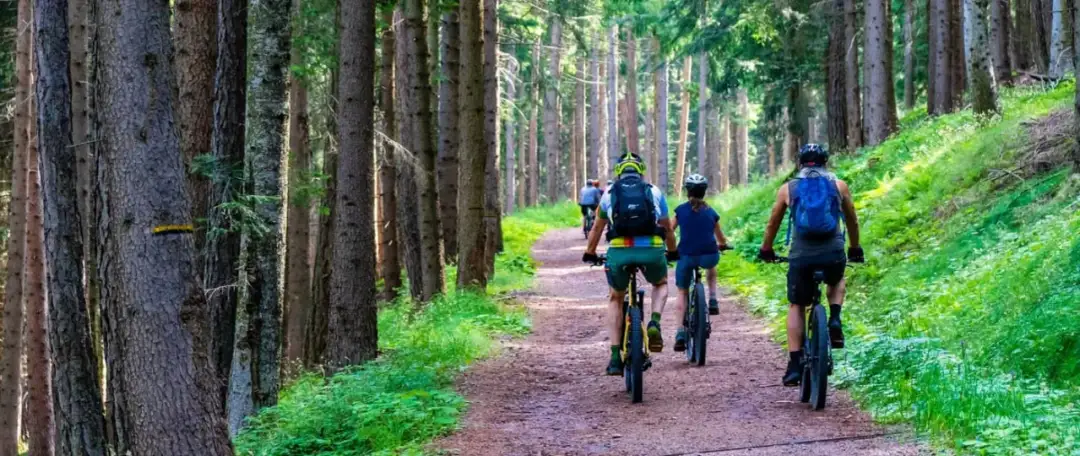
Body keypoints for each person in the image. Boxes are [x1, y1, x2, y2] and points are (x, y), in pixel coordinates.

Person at [756, 143, 864, 386]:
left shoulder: (789, 189)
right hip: (832, 252)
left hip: (801, 255)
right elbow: (852, 220)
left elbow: (772, 224)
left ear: (800, 163)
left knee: (796, 304)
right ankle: (834, 318)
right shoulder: (839, 185)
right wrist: (855, 248)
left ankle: (794, 364)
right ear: (826, 162)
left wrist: (766, 249)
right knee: (836, 279)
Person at [583, 153, 679, 376]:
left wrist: (589, 252)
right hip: (652, 250)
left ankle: (615, 357)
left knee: (616, 297)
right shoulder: (654, 191)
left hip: (620, 252)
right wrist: (672, 251)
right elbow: (666, 227)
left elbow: (597, 228)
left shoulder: (608, 193)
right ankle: (654, 322)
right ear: (640, 170)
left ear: (619, 172)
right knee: (661, 283)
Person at [671, 174, 731, 352]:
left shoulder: (680, 211)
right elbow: (720, 238)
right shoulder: (711, 212)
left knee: (682, 291)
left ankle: (680, 332)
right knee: (711, 265)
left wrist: (670, 249)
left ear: (687, 191)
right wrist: (723, 245)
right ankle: (712, 298)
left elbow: (670, 231)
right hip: (708, 256)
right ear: (704, 192)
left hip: (686, 256)